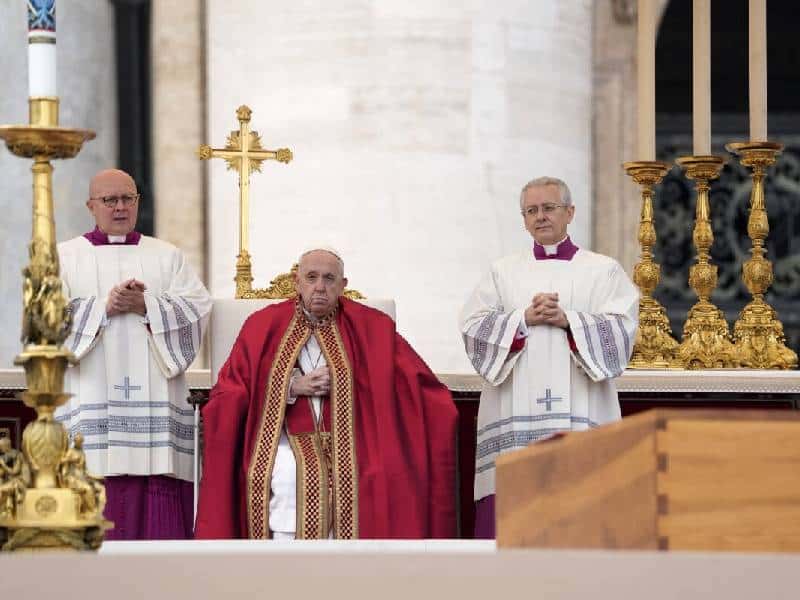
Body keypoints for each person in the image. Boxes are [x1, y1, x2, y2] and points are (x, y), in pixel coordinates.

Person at [195, 247, 457, 539]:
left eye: (330, 278)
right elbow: (229, 390)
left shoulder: (373, 328)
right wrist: (289, 386)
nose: (320, 286)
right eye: (311, 277)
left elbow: (415, 385)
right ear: (297, 281)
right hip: (283, 441)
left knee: (378, 474)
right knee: (285, 473)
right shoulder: (262, 326)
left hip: (358, 441)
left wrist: (354, 382)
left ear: (343, 286)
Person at [459, 176, 639, 538]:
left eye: (549, 208)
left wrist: (567, 320)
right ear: (523, 219)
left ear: (569, 212)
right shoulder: (502, 271)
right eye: (531, 211)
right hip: (514, 417)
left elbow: (622, 331)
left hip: (582, 414)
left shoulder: (603, 270)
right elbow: (473, 328)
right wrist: (523, 318)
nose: (540, 217)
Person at [55, 169, 211, 540]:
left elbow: (199, 307)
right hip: (90, 394)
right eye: (110, 200)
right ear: (91, 205)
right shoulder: (63, 256)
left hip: (156, 405)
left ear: (138, 202)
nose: (120, 207)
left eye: (128, 198)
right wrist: (103, 307)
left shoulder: (166, 255)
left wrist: (147, 305)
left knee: (157, 492)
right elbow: (43, 317)